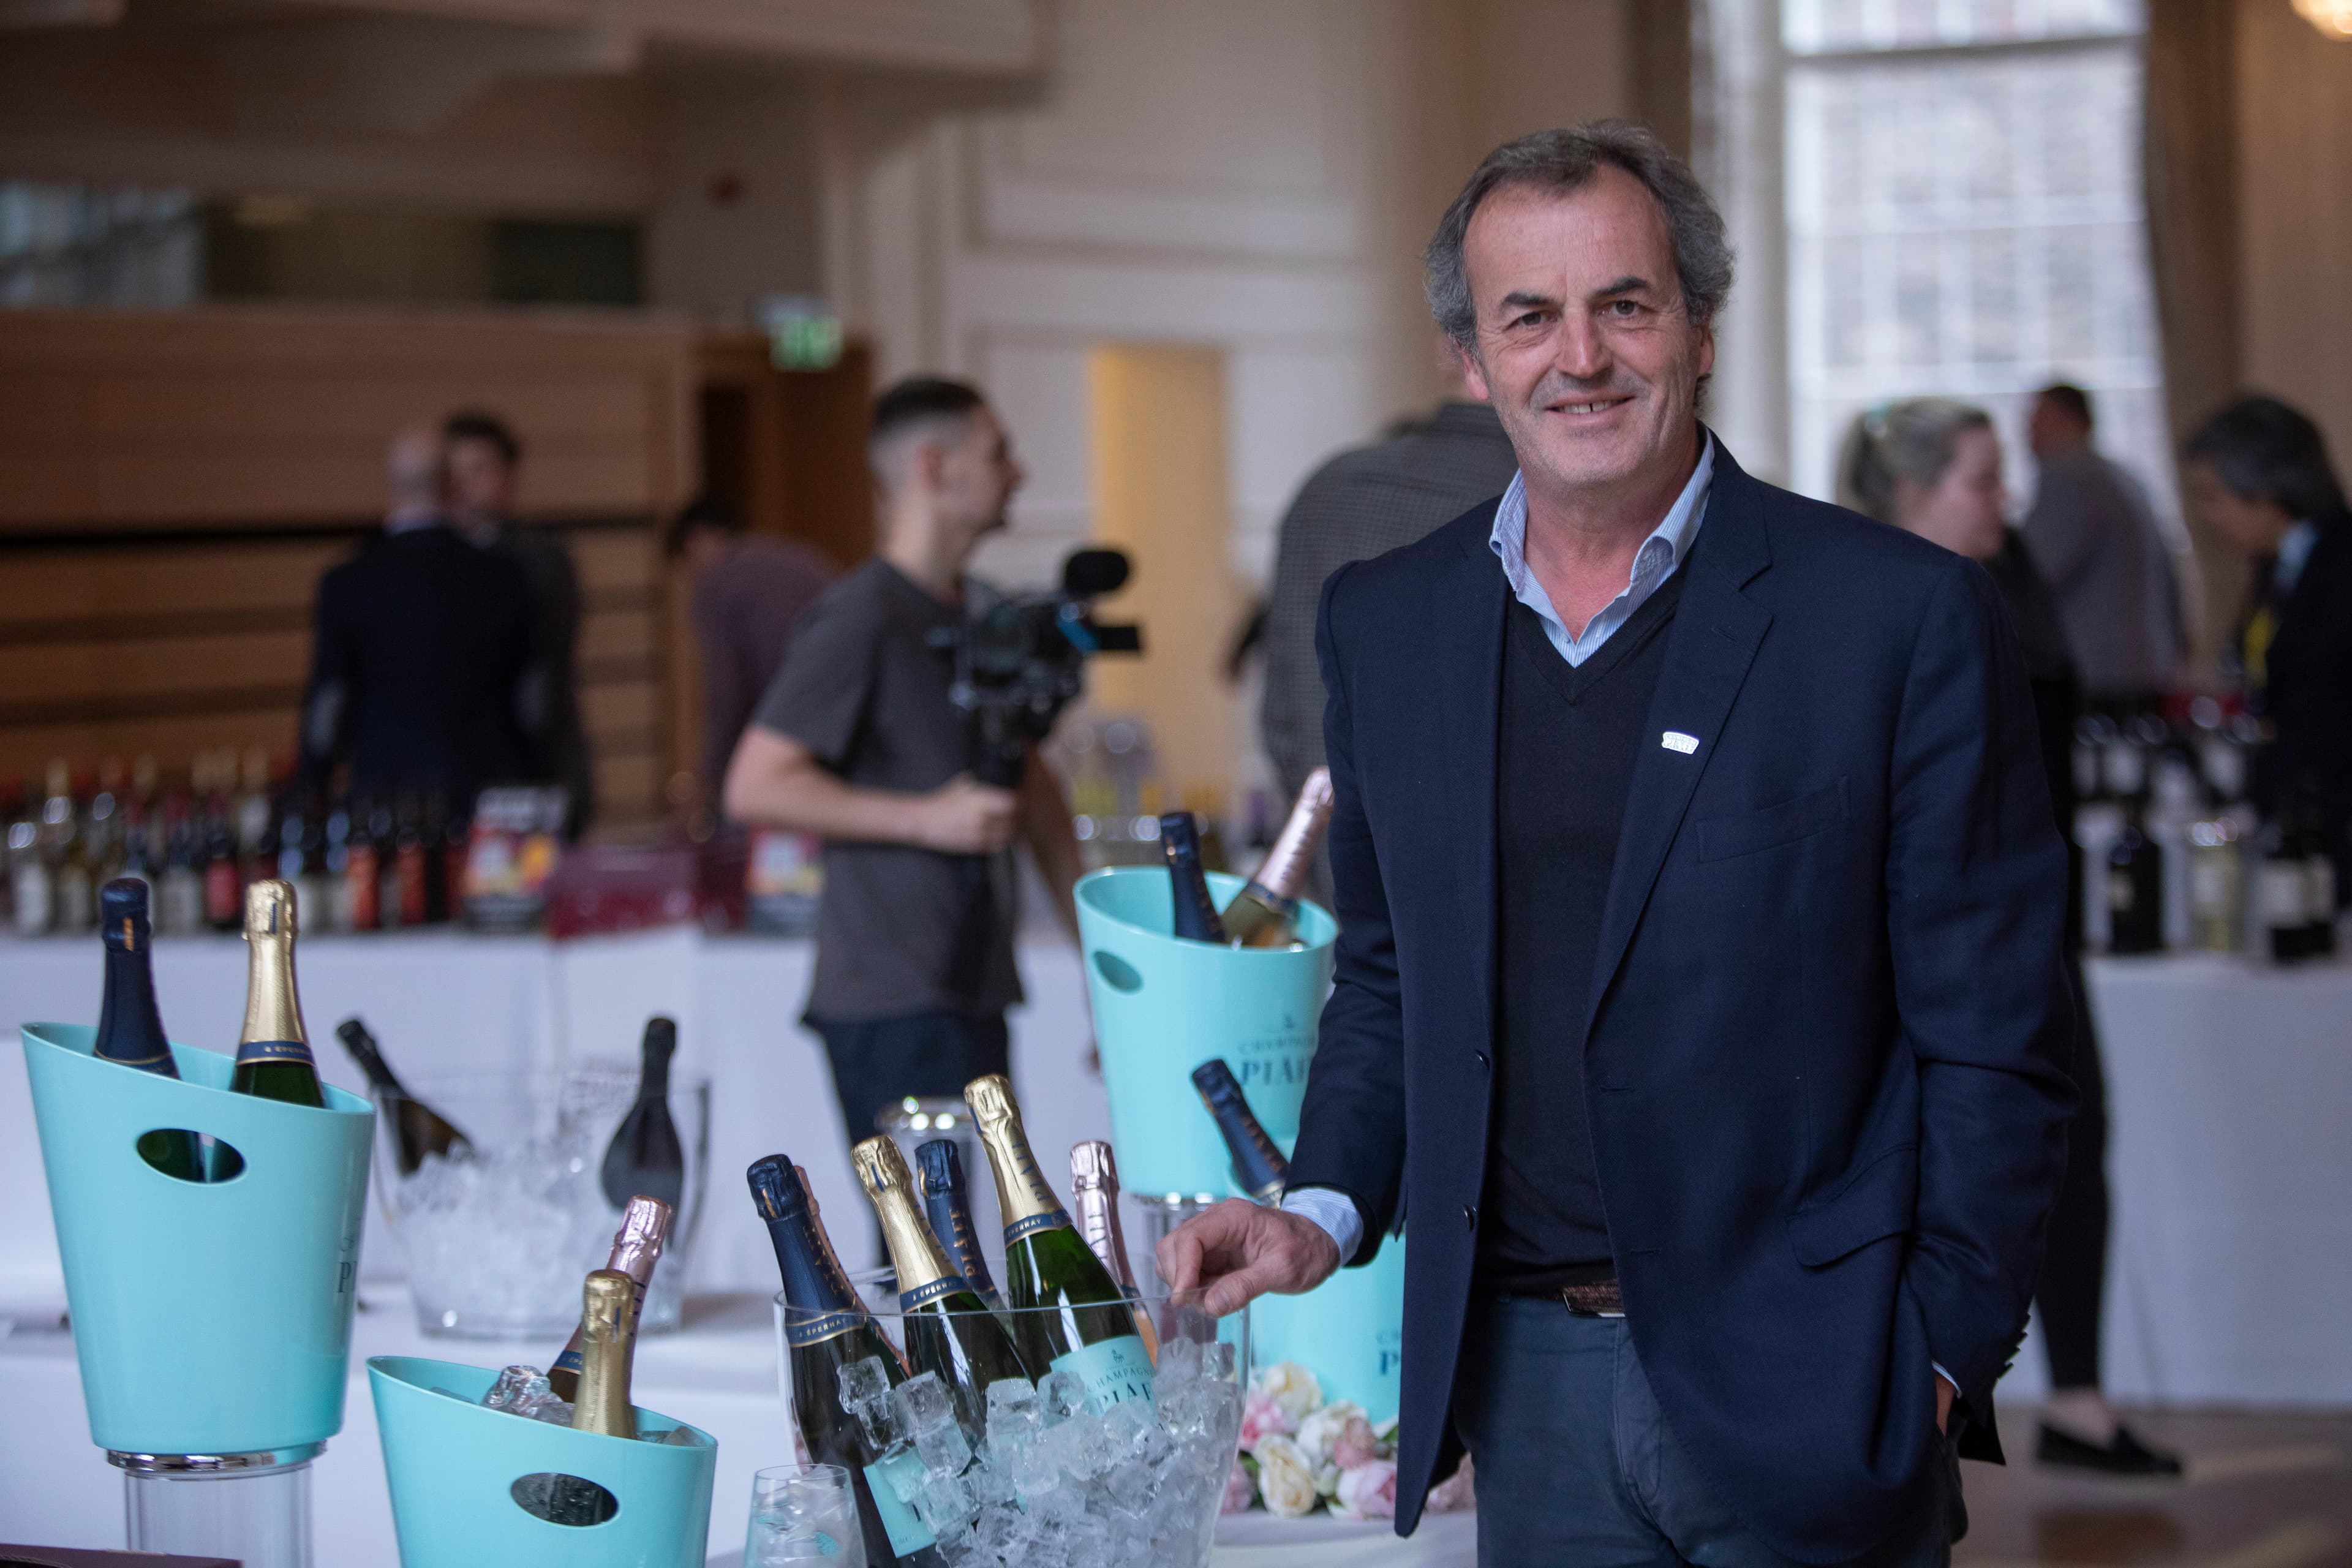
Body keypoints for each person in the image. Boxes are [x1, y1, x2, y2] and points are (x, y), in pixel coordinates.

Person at [1158, 124, 2076, 1567]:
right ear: (1472, 359)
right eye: (1528, 315)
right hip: (1526, 1384)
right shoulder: (1386, 625)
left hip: (1817, 1374)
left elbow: (1994, 1034)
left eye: (1623, 304)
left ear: (1698, 329)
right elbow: (1395, 984)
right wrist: (1317, 1210)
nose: (1577, 355)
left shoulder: (1892, 619)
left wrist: (1940, 1355)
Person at [1841, 398, 2183, 1479]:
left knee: (2068, 1142)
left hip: (2030, 912)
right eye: (1982, 483)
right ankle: (1919, 1401)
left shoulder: (2009, 575)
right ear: (1912, 495)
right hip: (1940, 930)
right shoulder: (1864, 604)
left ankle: (2064, 1394)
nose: (2006, 502)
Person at [724, 378, 1087, 1223]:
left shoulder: (984, 612)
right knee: (936, 1263)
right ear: (934, 467)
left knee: (996, 1250)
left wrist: (1102, 970)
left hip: (971, 983)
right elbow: (757, 782)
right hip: (890, 994)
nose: (1019, 472)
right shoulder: (862, 617)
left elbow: (1033, 793)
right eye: (997, 453)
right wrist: (927, 819)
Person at [1259, 355, 1520, 901]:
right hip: (1514, 910)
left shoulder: (1329, 491)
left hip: (1342, 892)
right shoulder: (1562, 499)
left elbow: (1283, 718)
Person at [296, 427, 543, 811]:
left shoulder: (348, 581)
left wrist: (310, 789)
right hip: (486, 794)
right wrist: (540, 777)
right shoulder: (505, 576)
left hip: (385, 797)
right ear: (452, 486)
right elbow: (533, 698)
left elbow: (328, 703)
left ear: (392, 487)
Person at [2182, 394, 2352, 905]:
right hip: (2294, 812)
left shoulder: (2342, 561)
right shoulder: (2272, 566)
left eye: (2216, 498)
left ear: (2267, 492)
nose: (2209, 516)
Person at [443, 411, 594, 838]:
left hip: (530, 764)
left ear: (509, 475)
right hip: (458, 770)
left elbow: (549, 675)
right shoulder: (433, 565)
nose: (464, 484)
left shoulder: (538, 559)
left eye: (479, 469)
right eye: (454, 471)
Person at [2021, 383, 2187, 709]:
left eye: (2037, 418)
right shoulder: (2125, 478)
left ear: (2069, 420)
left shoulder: (2070, 477)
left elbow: (2033, 573)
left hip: (2099, 670)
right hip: (2148, 661)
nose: (2028, 431)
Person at [666, 496, 835, 815]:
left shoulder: (718, 584)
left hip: (780, 733)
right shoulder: (799, 557)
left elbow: (727, 694)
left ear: (698, 538)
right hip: (837, 731)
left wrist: (710, 777)